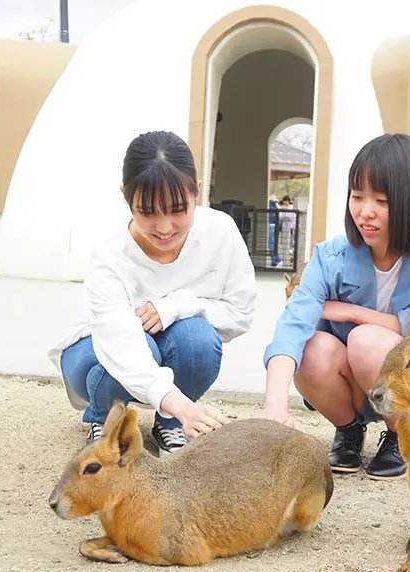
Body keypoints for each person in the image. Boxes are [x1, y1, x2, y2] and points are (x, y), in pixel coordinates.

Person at [259, 133, 410, 480]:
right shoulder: (332, 256)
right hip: (358, 385)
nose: (364, 212)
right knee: (310, 349)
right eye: (357, 197)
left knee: (366, 339)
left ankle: (402, 436)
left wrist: (356, 314)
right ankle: (350, 429)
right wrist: (274, 403)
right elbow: (294, 322)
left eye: (381, 201)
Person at [49, 130, 257, 454]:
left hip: (166, 348)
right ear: (126, 197)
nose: (164, 227)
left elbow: (240, 312)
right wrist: (185, 405)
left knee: (199, 338)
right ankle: (104, 418)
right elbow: (119, 341)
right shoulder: (110, 252)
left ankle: (170, 424)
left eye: (178, 209)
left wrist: (177, 304)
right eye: (147, 211)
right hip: (92, 352)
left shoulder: (221, 233)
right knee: (141, 341)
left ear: (196, 193)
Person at [278, 195, 297, 264]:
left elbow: (294, 218)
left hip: (291, 226)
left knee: (291, 238)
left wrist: (293, 226)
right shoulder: (282, 208)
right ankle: (286, 251)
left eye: (287, 201)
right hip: (283, 227)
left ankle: (290, 248)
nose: (285, 202)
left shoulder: (291, 208)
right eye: (284, 201)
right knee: (284, 240)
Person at [267, 193, 282, 267]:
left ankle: (276, 260)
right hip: (276, 226)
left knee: (271, 244)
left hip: (271, 226)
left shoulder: (270, 206)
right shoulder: (276, 206)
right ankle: (275, 260)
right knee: (273, 244)